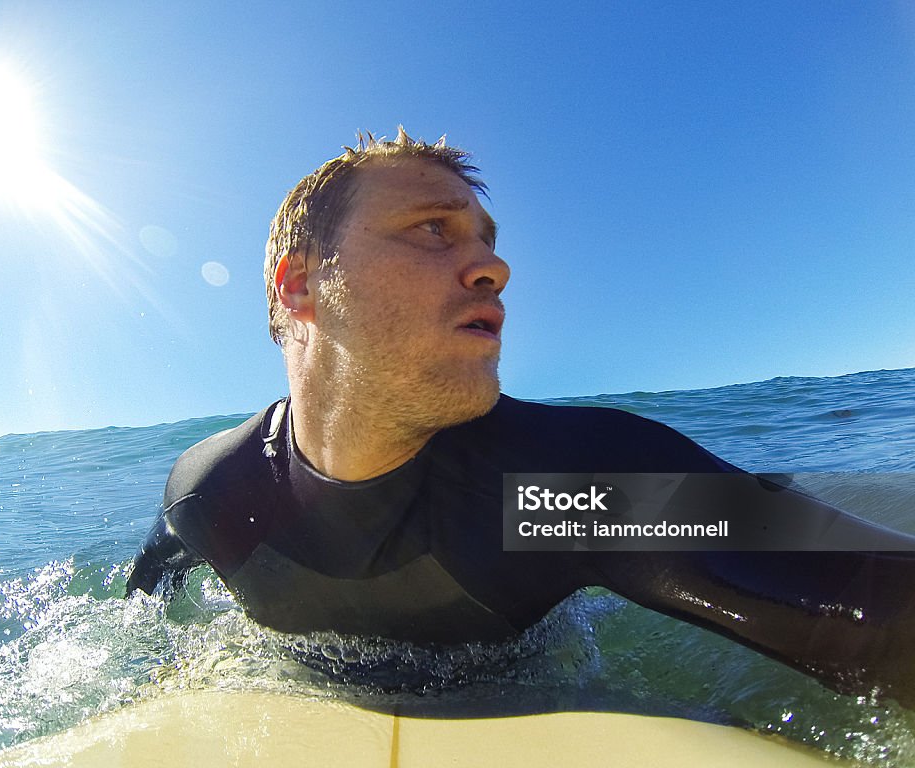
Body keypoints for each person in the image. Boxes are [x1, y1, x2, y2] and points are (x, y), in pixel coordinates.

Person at [127, 128, 915, 706]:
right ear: (299, 283)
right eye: (432, 228)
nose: (494, 267)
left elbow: (875, 603)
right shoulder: (214, 491)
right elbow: (148, 595)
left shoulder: (554, 489)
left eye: (487, 242)